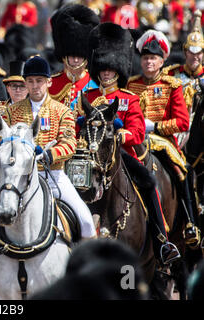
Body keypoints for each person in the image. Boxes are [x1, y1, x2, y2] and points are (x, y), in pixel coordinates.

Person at [0, 56, 97, 257]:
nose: (35, 86)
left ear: (49, 82)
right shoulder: (11, 111)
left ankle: (86, 269)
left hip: (52, 175)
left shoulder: (62, 111)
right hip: (13, 177)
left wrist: (49, 155)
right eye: (30, 81)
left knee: (87, 221)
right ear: (25, 82)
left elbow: (70, 143)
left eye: (39, 81)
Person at [80, 22, 180, 265]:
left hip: (122, 156)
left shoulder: (128, 98)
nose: (106, 73)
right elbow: (77, 127)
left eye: (110, 70)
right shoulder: (88, 97)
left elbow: (137, 131)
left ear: (118, 70)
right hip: (92, 157)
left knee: (148, 183)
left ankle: (161, 240)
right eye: (103, 69)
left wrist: (121, 136)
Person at [127, 29, 200, 249]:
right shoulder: (131, 84)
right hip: (135, 140)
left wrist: (156, 126)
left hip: (163, 142)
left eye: (153, 58)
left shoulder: (172, 86)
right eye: (146, 58)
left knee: (181, 171)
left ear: (162, 61)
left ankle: (190, 222)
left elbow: (182, 123)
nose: (149, 62)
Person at [48, 4, 100, 117]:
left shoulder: (96, 85)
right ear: (64, 56)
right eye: (72, 56)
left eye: (80, 56)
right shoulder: (51, 84)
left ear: (86, 57)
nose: (76, 60)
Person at [162, 10, 204, 148]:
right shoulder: (171, 74)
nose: (195, 57)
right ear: (185, 52)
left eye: (199, 53)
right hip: (175, 129)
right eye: (191, 52)